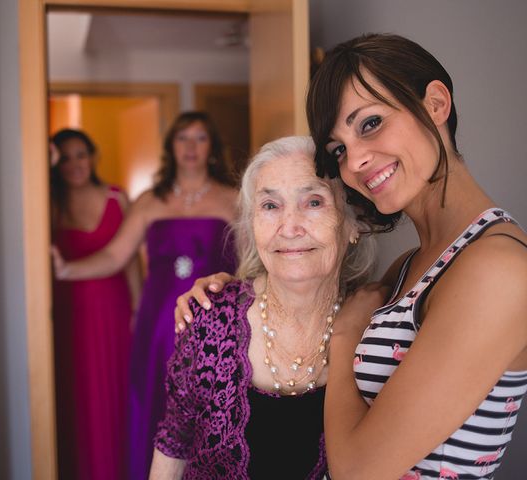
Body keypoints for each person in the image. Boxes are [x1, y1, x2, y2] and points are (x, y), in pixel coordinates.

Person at [176, 34, 527, 479]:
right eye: (339, 149)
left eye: (370, 123)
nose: (356, 159)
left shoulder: (497, 269)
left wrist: (344, 339)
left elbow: (358, 471)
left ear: (436, 104)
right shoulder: (412, 265)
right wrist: (233, 294)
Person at [149, 136, 375, 479]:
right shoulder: (210, 317)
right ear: (253, 224)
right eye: (270, 206)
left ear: (352, 223)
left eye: (313, 201)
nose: (289, 227)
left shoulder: (378, 330)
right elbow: (174, 442)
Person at [51, 111, 239, 480]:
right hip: (157, 324)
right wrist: (66, 270)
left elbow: (249, 266)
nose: (190, 146)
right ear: (171, 146)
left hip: (214, 320)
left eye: (200, 138)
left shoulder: (233, 198)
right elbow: (114, 256)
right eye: (182, 137)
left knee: (212, 407)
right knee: (156, 403)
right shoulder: (148, 201)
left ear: (212, 147)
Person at [50, 128, 142, 480]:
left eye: (81, 154)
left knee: (114, 394)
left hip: (113, 309)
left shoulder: (118, 198)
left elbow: (132, 258)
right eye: (66, 157)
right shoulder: (49, 203)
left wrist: (137, 306)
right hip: (67, 312)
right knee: (74, 395)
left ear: (93, 156)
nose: (75, 164)